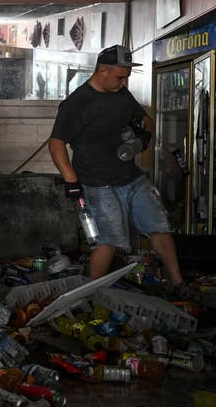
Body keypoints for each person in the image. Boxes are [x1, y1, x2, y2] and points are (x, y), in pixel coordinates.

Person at [48, 44, 187, 294]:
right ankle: (88, 296)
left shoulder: (121, 94)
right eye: (120, 77)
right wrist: (70, 180)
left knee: (160, 225)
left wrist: (143, 137)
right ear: (103, 70)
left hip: (132, 178)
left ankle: (178, 284)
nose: (124, 83)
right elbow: (56, 143)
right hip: (98, 183)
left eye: (127, 77)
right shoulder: (78, 102)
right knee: (109, 241)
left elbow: (146, 119)